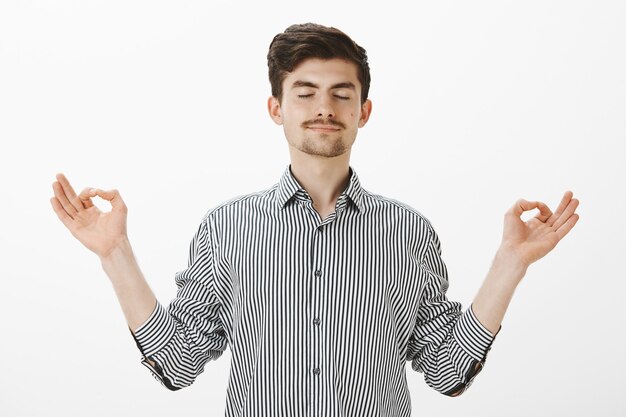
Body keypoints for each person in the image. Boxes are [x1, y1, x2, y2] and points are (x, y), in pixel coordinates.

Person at [50, 23, 580, 416]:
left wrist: (510, 262)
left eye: (340, 94)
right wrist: (115, 255)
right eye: (304, 93)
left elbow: (447, 369)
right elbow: (178, 362)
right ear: (276, 108)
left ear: (362, 112)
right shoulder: (227, 228)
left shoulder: (410, 231)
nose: (323, 107)